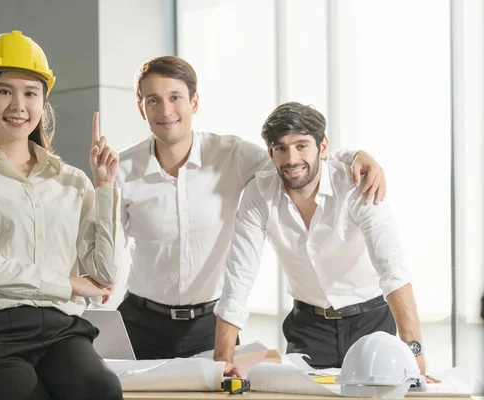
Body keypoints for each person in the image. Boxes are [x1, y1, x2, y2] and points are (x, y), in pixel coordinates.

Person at [112, 56, 387, 360]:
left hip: (208, 324)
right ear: (141, 107)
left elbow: (294, 160)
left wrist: (354, 155)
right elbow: (107, 252)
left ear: (194, 102)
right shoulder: (121, 168)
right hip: (139, 322)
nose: (165, 111)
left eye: (175, 97)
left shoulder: (233, 154)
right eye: (153, 100)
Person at [0, 30, 124, 400]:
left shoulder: (73, 181)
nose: (18, 105)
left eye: (30, 92)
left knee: (103, 390)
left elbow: (104, 274)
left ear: (43, 102)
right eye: (4, 91)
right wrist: (68, 283)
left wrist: (104, 187)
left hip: (63, 331)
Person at [213, 102, 433, 380]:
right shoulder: (259, 194)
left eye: (302, 145)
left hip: (371, 322)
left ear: (323, 146)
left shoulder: (357, 184)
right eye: (281, 148)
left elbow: (393, 270)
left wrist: (414, 353)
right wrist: (222, 360)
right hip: (307, 328)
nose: (291, 159)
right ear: (270, 153)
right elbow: (239, 278)